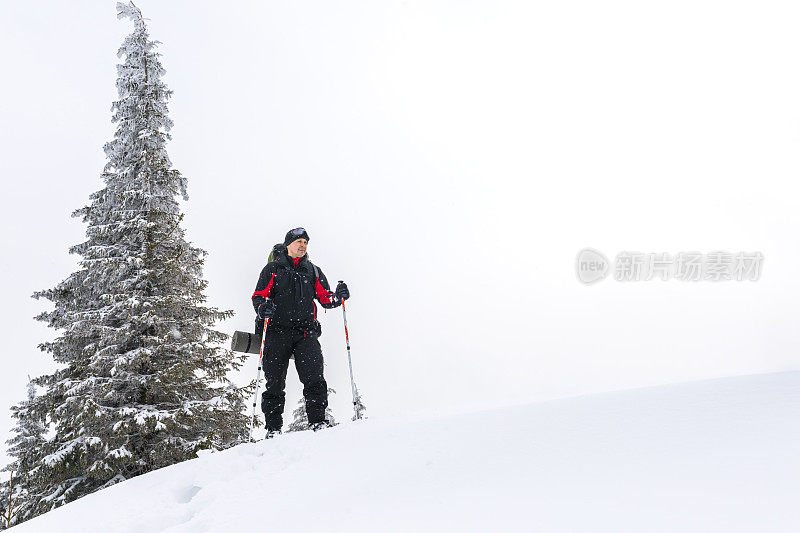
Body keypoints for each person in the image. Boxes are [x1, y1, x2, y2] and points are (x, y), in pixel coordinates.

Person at [251, 227, 350, 437]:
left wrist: (339, 296)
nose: (303, 246)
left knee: (314, 378)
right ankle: (273, 429)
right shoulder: (272, 269)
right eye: (299, 242)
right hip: (277, 333)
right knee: (275, 383)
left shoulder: (312, 270)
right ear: (288, 245)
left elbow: (326, 298)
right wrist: (262, 308)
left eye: (305, 242)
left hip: (305, 332)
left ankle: (318, 423)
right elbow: (259, 296)